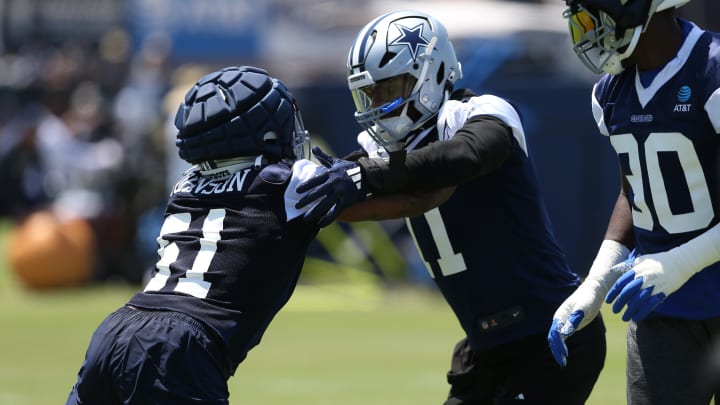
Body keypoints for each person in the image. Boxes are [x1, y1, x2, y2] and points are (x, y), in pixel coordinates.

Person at [295, 10, 606, 404]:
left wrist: (361, 174)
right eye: (370, 94)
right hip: (486, 349)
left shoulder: (479, 113)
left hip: (550, 336)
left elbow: (465, 156)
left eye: (388, 89)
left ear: (432, 73)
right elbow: (387, 192)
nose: (377, 104)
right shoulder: (382, 152)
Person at [66, 65, 329, 404]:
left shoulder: (186, 185)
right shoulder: (284, 181)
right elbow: (375, 184)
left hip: (117, 328)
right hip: (179, 343)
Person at [547, 1, 720, 404]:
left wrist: (679, 262)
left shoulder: (711, 68)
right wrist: (595, 282)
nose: (586, 26)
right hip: (662, 306)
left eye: (595, 11)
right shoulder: (611, 90)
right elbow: (634, 192)